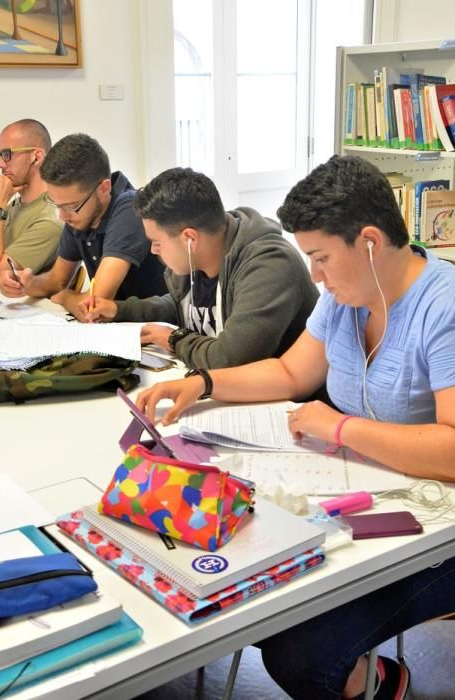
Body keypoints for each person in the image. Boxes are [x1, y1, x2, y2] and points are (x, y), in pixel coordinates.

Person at [135, 155, 455, 699]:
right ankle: (372, 680)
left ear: (371, 243)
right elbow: (290, 372)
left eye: (321, 257)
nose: (315, 276)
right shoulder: (345, 295)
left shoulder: (442, 306)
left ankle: (376, 685)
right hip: (367, 507)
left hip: (434, 535)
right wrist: (205, 383)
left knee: (302, 653)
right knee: (253, 594)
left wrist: (340, 428)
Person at [78, 167, 319, 369]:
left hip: (284, 409)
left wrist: (175, 339)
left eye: (157, 242)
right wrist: (119, 310)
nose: (153, 250)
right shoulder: (196, 258)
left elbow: (230, 359)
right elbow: (180, 305)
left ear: (189, 239)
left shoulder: (269, 265)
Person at [0, 133, 166, 319]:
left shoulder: (130, 208)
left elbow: (94, 304)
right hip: (115, 329)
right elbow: (57, 280)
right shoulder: (80, 213)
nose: (62, 216)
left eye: (71, 206)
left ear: (103, 188)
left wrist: (66, 297)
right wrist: (27, 283)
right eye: (56, 204)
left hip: (151, 330)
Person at [0, 119, 62, 280]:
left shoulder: (50, 220)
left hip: (24, 304)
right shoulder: (17, 204)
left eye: (7, 154)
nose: (0, 164)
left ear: (36, 157)